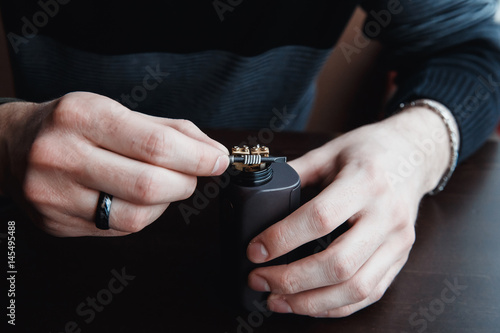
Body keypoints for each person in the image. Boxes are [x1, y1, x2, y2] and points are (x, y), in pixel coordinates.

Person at [0, 0, 499, 318]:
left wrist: (412, 148)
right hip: (40, 249)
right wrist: (7, 137)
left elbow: (477, 51)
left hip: (279, 253)